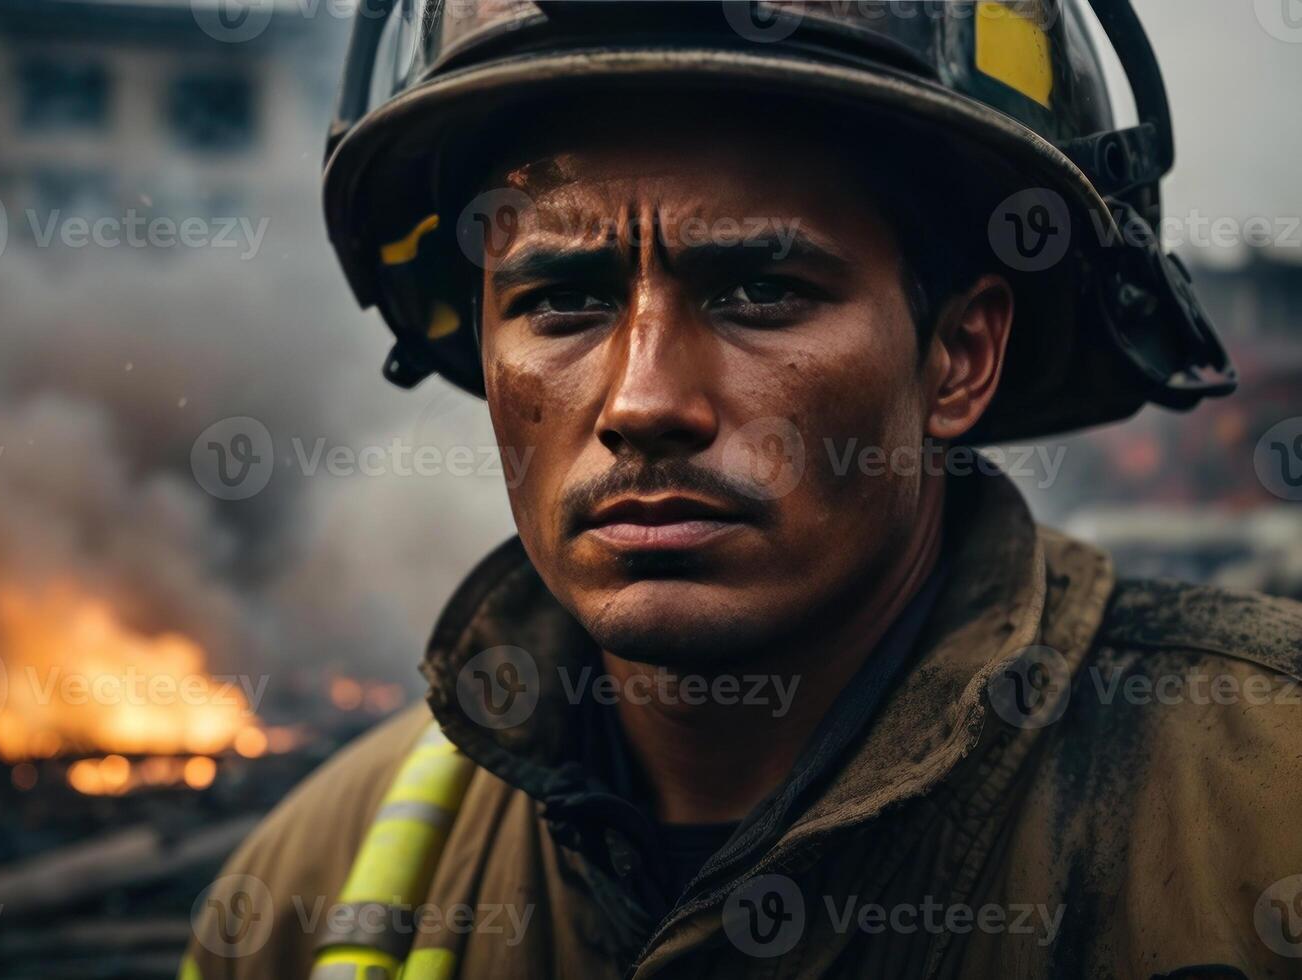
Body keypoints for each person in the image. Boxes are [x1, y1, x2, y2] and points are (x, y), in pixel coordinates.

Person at [186, 3, 1300, 978]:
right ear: (483, 349)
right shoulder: (302, 896)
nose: (643, 400)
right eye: (563, 301)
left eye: (761, 289)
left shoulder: (1260, 810)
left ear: (959, 355)